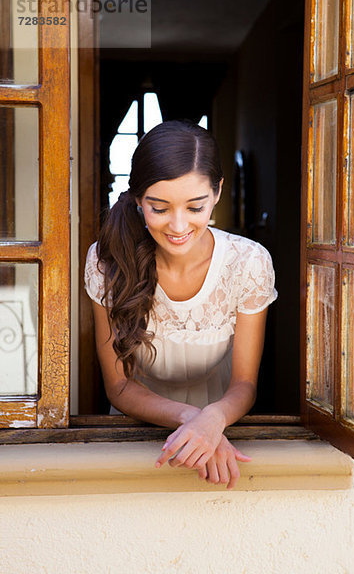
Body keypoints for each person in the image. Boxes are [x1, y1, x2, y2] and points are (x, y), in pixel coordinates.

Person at [84, 119, 277, 489]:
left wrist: (214, 419)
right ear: (138, 199)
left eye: (195, 207)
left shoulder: (249, 263)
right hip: (134, 436)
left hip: (220, 435)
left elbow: (244, 383)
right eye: (159, 208)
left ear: (217, 193)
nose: (177, 225)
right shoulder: (108, 262)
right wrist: (195, 420)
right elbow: (119, 386)